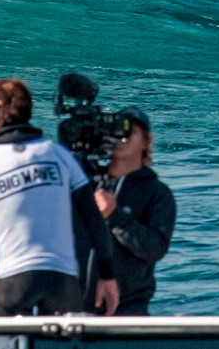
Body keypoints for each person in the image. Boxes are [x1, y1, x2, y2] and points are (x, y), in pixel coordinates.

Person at [0, 78, 120, 317]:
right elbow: (94, 220)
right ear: (30, 110)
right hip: (61, 281)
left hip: (12, 282)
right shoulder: (59, 155)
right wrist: (107, 276)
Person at [76, 106, 176, 315]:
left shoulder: (156, 193)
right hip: (71, 308)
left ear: (146, 141)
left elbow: (155, 249)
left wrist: (116, 217)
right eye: (113, 132)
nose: (119, 138)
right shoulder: (82, 185)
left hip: (127, 310)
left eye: (128, 131)